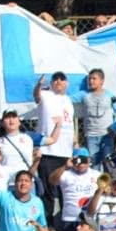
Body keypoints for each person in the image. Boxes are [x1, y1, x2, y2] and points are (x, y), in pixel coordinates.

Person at [33, 72, 77, 221]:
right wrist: (39, 85)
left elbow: (70, 125)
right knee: (47, 190)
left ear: (67, 83)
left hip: (65, 152)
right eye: (55, 79)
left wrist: (74, 144)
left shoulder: (68, 100)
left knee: (65, 188)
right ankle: (48, 222)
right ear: (51, 83)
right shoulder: (46, 94)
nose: (58, 81)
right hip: (48, 151)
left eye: (62, 79)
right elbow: (36, 96)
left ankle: (66, 221)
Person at [73, 68, 116, 165]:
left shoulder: (109, 95)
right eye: (89, 79)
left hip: (106, 135)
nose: (91, 81)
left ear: (102, 81)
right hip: (91, 135)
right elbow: (66, 99)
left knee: (109, 163)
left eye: (94, 78)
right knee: (94, 163)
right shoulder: (83, 94)